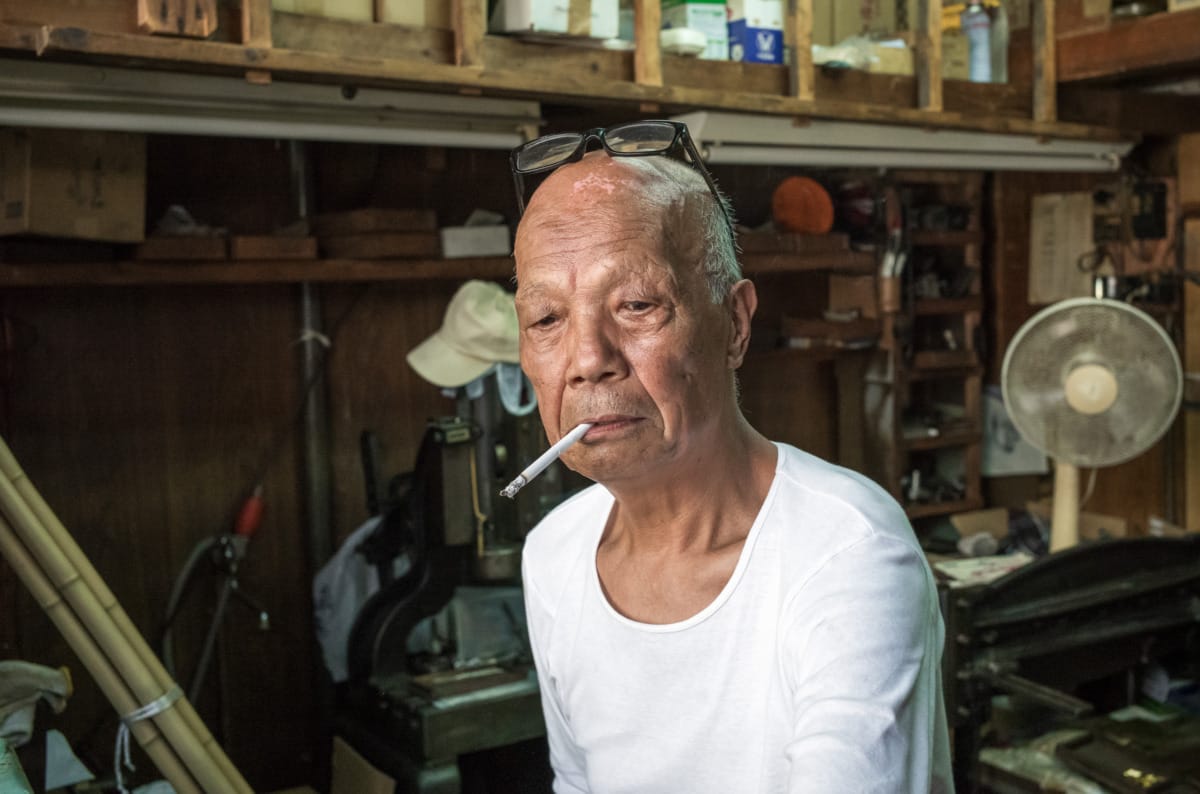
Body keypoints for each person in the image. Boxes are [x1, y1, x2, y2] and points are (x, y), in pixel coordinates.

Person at [511, 122, 953, 794]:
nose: (588, 360)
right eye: (547, 319)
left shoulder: (845, 550)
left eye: (636, 305)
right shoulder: (553, 556)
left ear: (735, 325)